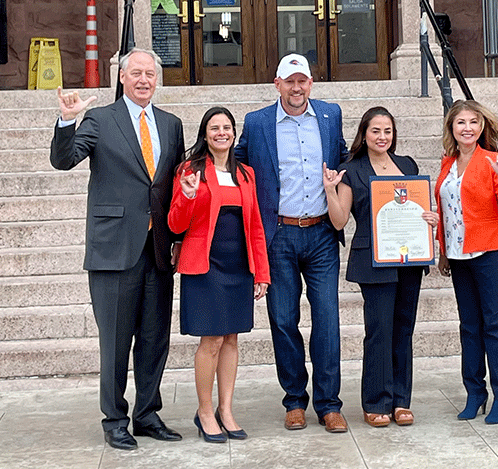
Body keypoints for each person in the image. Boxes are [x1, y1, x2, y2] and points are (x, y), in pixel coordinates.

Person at [49, 48, 185, 450]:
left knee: (155, 337)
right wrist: (68, 120)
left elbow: (174, 185)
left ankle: (146, 414)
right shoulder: (100, 119)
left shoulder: (171, 124)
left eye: (150, 74)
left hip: (158, 248)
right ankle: (114, 420)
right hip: (113, 250)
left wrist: (179, 238)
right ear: (122, 78)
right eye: (136, 73)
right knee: (115, 341)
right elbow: (65, 160)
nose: (144, 79)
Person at [234, 53, 349, 433]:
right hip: (278, 234)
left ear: (311, 84)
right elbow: (234, 165)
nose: (297, 88)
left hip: (320, 235)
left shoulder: (331, 116)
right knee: (283, 320)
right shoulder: (257, 122)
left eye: (303, 81)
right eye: (290, 81)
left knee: (328, 321)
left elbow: (349, 161)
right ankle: (295, 400)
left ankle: (329, 404)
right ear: (277, 84)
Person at [324, 106, 436, 427]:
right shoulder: (352, 169)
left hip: (410, 259)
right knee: (379, 332)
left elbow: (417, 208)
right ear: (364, 134)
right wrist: (331, 190)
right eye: (376, 131)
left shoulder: (407, 164)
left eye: (387, 131)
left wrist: (428, 218)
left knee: (403, 328)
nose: (382, 137)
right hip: (374, 261)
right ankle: (376, 400)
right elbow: (339, 219)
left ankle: (401, 400)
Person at [168, 107, 270, 443]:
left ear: (234, 133)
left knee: (231, 339)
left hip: (238, 265)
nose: (221, 133)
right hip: (205, 265)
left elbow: (255, 225)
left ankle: (226, 410)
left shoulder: (246, 174)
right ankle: (205, 411)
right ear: (205, 133)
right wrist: (188, 194)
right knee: (210, 340)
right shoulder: (190, 170)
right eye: (215, 128)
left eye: (227, 127)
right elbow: (175, 224)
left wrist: (261, 272)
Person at [435, 99, 498, 425]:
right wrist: (443, 251)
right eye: (461, 123)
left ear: (481, 127)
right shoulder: (447, 164)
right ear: (452, 129)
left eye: (473, 122)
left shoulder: (494, 161)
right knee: (469, 327)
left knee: (495, 327)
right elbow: (448, 213)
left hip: (491, 254)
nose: (467, 128)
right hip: (458, 256)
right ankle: (475, 393)